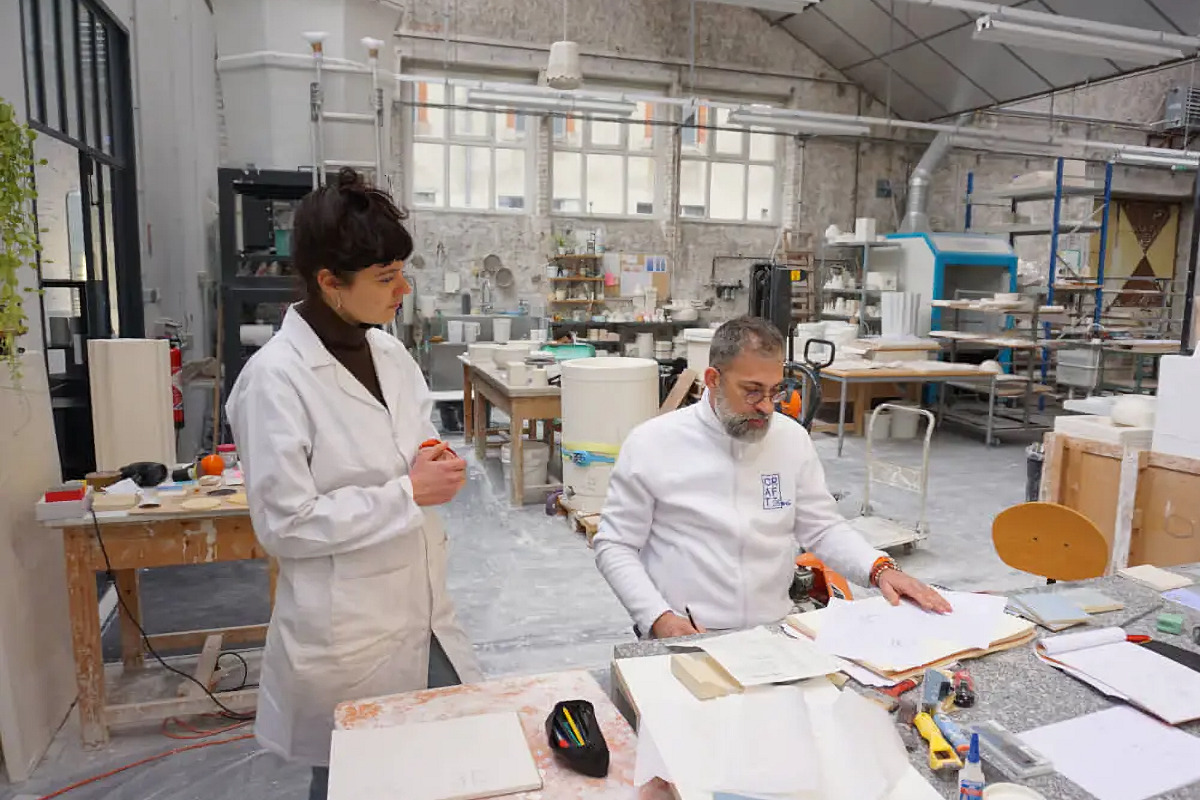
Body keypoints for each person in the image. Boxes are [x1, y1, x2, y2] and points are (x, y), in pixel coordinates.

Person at [226, 168, 481, 800]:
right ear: (329, 283)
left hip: (422, 612)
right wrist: (407, 493)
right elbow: (283, 523)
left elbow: (409, 439)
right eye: (386, 278)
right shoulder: (276, 381)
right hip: (349, 634)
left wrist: (431, 458)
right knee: (355, 781)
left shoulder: (389, 353)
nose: (403, 289)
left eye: (402, 270)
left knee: (443, 759)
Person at [593, 315, 950, 639]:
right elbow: (616, 545)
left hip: (775, 632)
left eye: (774, 391)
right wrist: (657, 618)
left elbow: (822, 528)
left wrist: (880, 569)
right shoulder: (653, 443)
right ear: (713, 380)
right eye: (751, 391)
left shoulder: (789, 439)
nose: (767, 406)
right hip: (688, 632)